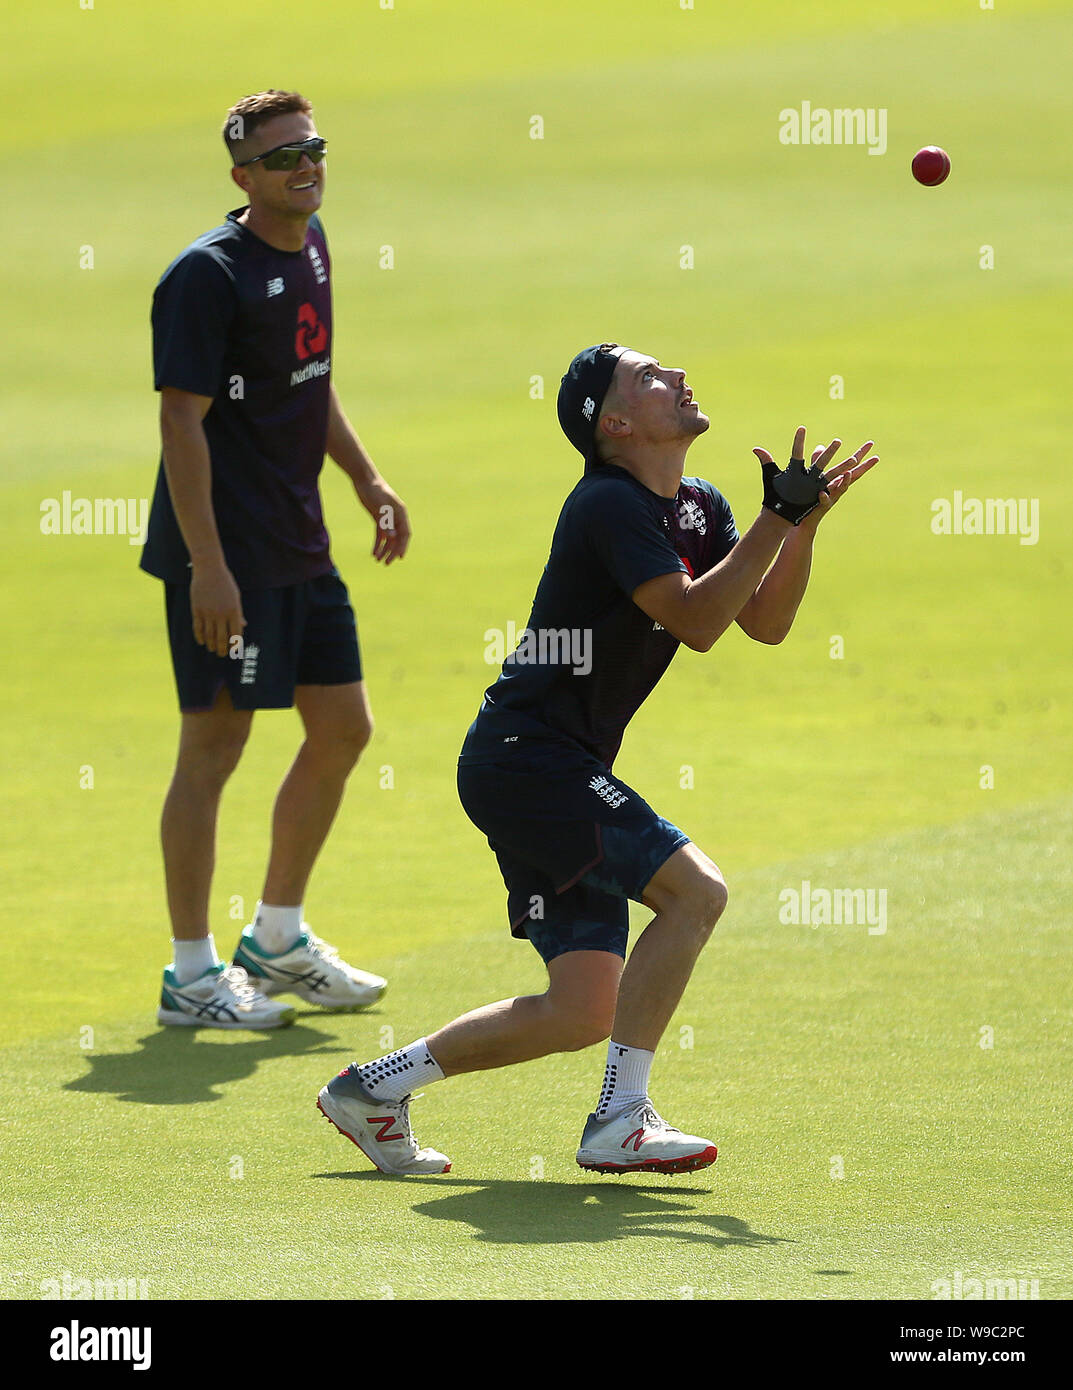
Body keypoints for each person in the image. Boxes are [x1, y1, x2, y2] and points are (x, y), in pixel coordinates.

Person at [317, 342, 877, 1173]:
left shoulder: (696, 506)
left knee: (582, 1009)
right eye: (650, 377)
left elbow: (760, 620)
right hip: (527, 759)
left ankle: (370, 1091)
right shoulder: (606, 506)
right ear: (614, 425)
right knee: (696, 893)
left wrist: (796, 528)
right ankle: (621, 1120)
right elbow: (693, 618)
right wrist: (773, 520)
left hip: (544, 765)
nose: (679, 375)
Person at [141, 90, 410, 1029]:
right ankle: (191, 973)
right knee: (215, 745)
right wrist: (207, 567)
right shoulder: (206, 277)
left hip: (300, 543)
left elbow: (312, 382)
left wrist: (367, 482)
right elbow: (182, 418)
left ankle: (279, 939)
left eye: (313, 147)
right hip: (227, 555)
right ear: (241, 177)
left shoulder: (316, 246)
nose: (305, 165)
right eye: (282, 156)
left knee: (343, 729)